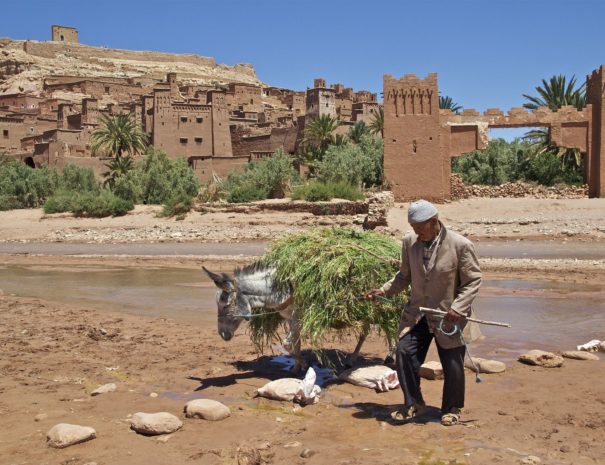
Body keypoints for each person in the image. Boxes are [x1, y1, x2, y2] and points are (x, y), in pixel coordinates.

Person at [366, 199, 481, 426]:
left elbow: (473, 281)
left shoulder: (460, 245)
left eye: (420, 227)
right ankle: (414, 403)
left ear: (434, 221)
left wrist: (458, 308)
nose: (417, 233)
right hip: (418, 313)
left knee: (453, 364)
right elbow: (404, 276)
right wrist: (384, 290)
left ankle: (452, 408)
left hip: (448, 316)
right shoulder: (410, 243)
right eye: (414, 228)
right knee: (404, 352)